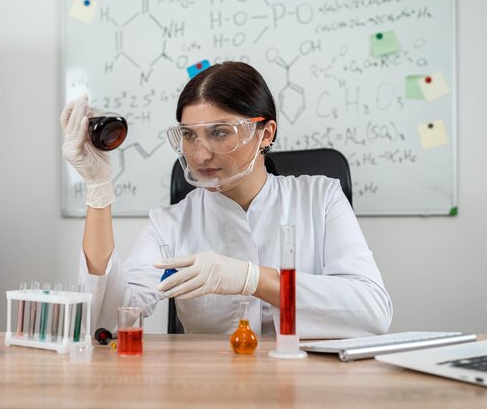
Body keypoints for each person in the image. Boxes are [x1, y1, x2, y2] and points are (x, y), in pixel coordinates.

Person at [60, 61, 392, 337]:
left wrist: (252, 279)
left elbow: (373, 311)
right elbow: (105, 323)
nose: (200, 154)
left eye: (219, 132)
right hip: (210, 388)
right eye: (189, 136)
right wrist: (98, 189)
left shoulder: (321, 198)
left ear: (266, 133)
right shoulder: (170, 224)